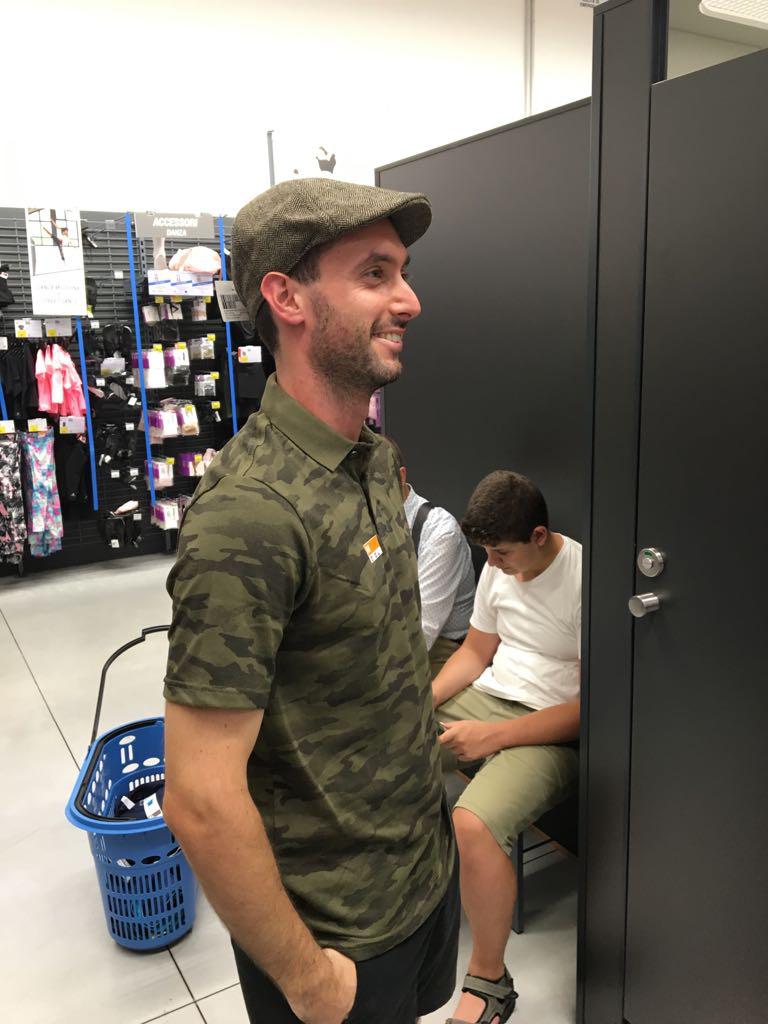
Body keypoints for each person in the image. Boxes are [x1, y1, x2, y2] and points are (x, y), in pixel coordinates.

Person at [162, 178, 458, 1024]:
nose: (409, 301)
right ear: (287, 298)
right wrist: (308, 980)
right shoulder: (249, 514)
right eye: (374, 274)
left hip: (418, 873)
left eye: (402, 273)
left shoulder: (371, 457)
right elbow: (200, 799)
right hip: (333, 933)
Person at [433, 470, 581, 1024]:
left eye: (501, 554)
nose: (491, 565)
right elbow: (475, 653)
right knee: (388, 738)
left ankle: (489, 981)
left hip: (550, 730)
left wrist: (491, 737)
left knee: (472, 824)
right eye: (487, 554)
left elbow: (593, 709)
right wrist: (421, 704)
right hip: (491, 698)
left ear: (538, 536)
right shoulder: (499, 568)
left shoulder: (584, 577)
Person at [382, 435, 475, 678]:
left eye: (374, 483)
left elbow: (423, 630)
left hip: (441, 646)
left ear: (401, 477)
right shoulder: (366, 521)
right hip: (383, 635)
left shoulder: (440, 532)